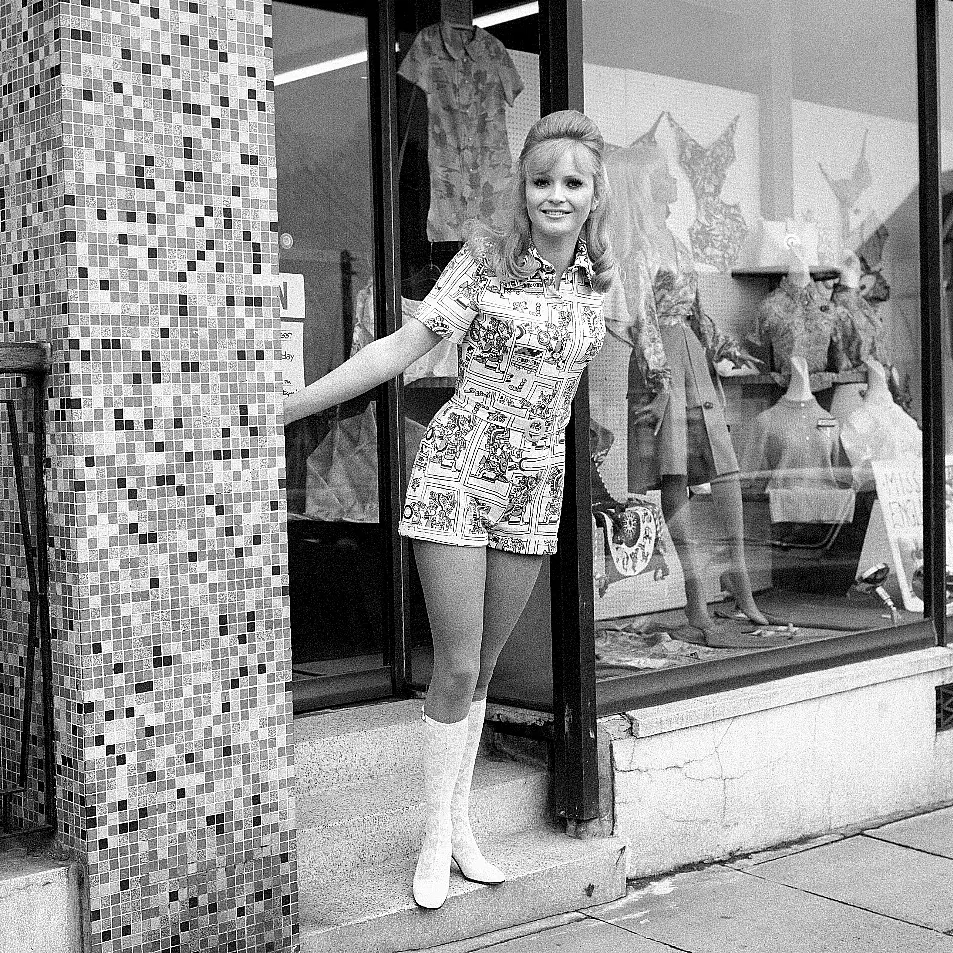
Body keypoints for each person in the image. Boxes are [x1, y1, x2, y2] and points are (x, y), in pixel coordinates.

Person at [284, 110, 615, 909]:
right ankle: (435, 836)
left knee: (489, 670)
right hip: (458, 472)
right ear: (522, 188)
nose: (555, 195)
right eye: (542, 181)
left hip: (535, 487)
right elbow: (398, 349)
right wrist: (289, 408)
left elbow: (575, 390)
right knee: (457, 664)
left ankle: (461, 822)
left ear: (595, 192)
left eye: (572, 182)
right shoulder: (485, 260)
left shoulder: (596, 280)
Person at [605, 131, 794, 648]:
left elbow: (695, 309)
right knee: (675, 474)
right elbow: (636, 315)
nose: (671, 179)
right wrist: (659, 375)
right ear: (645, 183)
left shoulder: (675, 239)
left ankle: (738, 578)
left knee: (725, 466)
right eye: (662, 172)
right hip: (659, 360)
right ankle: (694, 593)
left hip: (692, 354)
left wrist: (725, 350)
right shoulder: (633, 245)